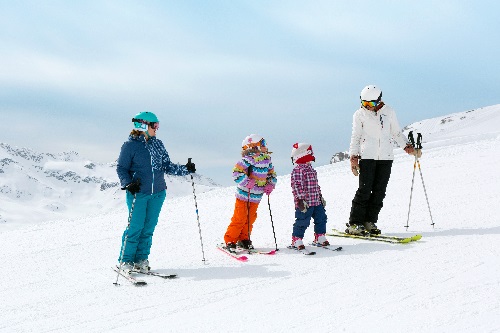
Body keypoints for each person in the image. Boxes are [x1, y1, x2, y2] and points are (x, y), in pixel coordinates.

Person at [116, 111, 196, 273]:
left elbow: (167, 166)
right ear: (143, 125)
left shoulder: (158, 144)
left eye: (157, 125)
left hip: (158, 193)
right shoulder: (130, 146)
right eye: (155, 125)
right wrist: (128, 184)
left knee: (148, 228)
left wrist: (185, 169)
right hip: (138, 193)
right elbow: (121, 168)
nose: (156, 129)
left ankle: (141, 259)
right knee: (135, 227)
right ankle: (126, 261)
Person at [347, 85, 416, 235]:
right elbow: (356, 137)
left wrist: (406, 147)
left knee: (379, 191)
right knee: (364, 190)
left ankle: (369, 221)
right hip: (367, 157)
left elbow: (396, 132)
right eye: (363, 103)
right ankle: (355, 223)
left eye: (369, 104)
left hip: (386, 157)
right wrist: (354, 157)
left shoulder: (389, 112)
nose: (366, 107)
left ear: (378, 101)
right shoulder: (359, 115)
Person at [224, 134, 277, 250]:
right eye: (262, 143)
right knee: (240, 218)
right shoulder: (248, 159)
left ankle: (244, 239)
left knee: (250, 218)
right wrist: (246, 181)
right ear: (253, 146)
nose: (265, 146)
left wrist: (270, 184)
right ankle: (230, 240)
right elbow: (236, 172)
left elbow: (272, 174)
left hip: (257, 196)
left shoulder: (267, 159)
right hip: (244, 194)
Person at [290, 143, 330, 250]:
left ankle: (320, 236)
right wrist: (300, 200)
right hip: (305, 203)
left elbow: (315, 185)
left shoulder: (311, 169)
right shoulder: (298, 170)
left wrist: (320, 196)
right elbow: (297, 186)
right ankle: (296, 238)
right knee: (302, 220)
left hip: (316, 201)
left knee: (321, 218)